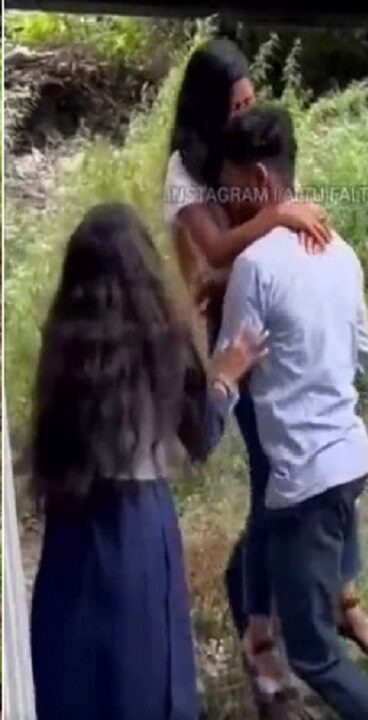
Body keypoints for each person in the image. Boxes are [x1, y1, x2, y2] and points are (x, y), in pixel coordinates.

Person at [162, 37, 368, 693]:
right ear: (207, 106)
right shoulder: (187, 170)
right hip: (237, 340)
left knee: (292, 486)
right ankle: (266, 626)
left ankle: (318, 605)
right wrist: (280, 214)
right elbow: (219, 247)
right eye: (235, 103)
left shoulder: (253, 161)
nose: (244, 112)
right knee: (278, 486)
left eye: (252, 101)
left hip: (270, 330)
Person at [29, 203, 266, 720]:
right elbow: (201, 435)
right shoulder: (164, 342)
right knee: (148, 676)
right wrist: (226, 377)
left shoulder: (63, 347)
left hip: (73, 522)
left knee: (75, 675)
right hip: (138, 521)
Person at [217, 105, 368, 718]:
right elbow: (362, 350)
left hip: (304, 479)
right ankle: (261, 640)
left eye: (232, 187)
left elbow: (230, 366)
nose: (230, 202)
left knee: (316, 655)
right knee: (268, 544)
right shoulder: (343, 254)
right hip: (347, 462)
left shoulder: (255, 267)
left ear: (257, 180)